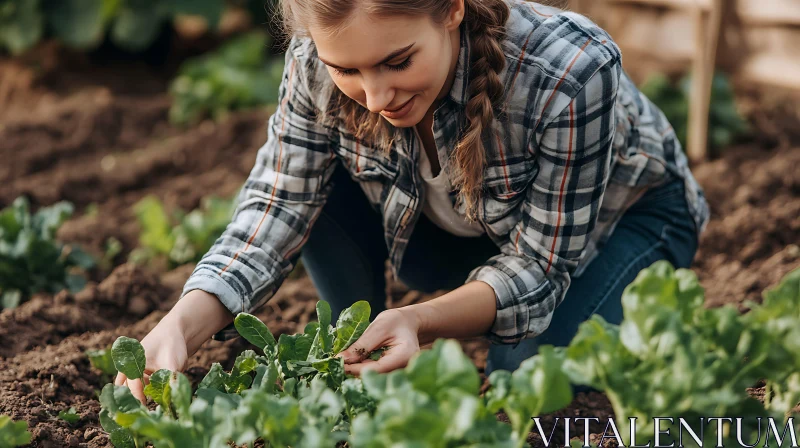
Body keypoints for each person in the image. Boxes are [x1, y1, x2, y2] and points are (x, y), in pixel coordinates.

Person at [116, 0, 709, 403]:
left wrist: (420, 320)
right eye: (346, 67)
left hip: (625, 220)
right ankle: (355, 355)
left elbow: (539, 266)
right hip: (459, 228)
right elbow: (278, 203)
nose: (375, 96)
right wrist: (180, 326)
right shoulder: (312, 68)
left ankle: (648, 304)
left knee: (523, 384)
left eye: (397, 61)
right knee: (313, 183)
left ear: (453, 9)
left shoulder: (570, 73)